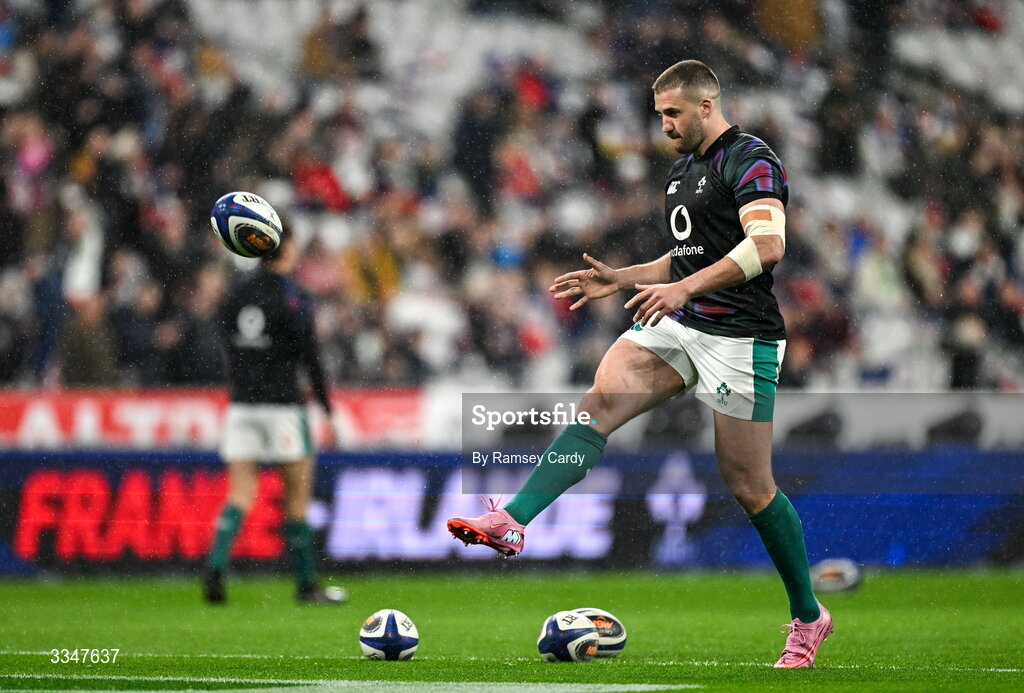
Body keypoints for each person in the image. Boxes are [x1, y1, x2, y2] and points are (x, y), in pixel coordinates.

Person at [448, 60, 832, 668]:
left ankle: (809, 616)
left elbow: (768, 246)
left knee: (750, 487)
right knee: (600, 399)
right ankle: (512, 520)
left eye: (673, 113)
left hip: (741, 337)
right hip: (685, 323)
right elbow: (685, 258)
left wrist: (684, 290)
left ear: (707, 105)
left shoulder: (750, 158)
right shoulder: (681, 173)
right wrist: (620, 278)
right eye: (659, 115)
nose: (665, 125)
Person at [203, 232, 345, 605]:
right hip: (283, 405)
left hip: (243, 405)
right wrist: (327, 410)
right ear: (288, 247)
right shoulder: (294, 296)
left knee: (238, 495)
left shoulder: (236, 292)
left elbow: (225, 343)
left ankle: (216, 566)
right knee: (296, 496)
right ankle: (306, 584)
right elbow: (310, 356)